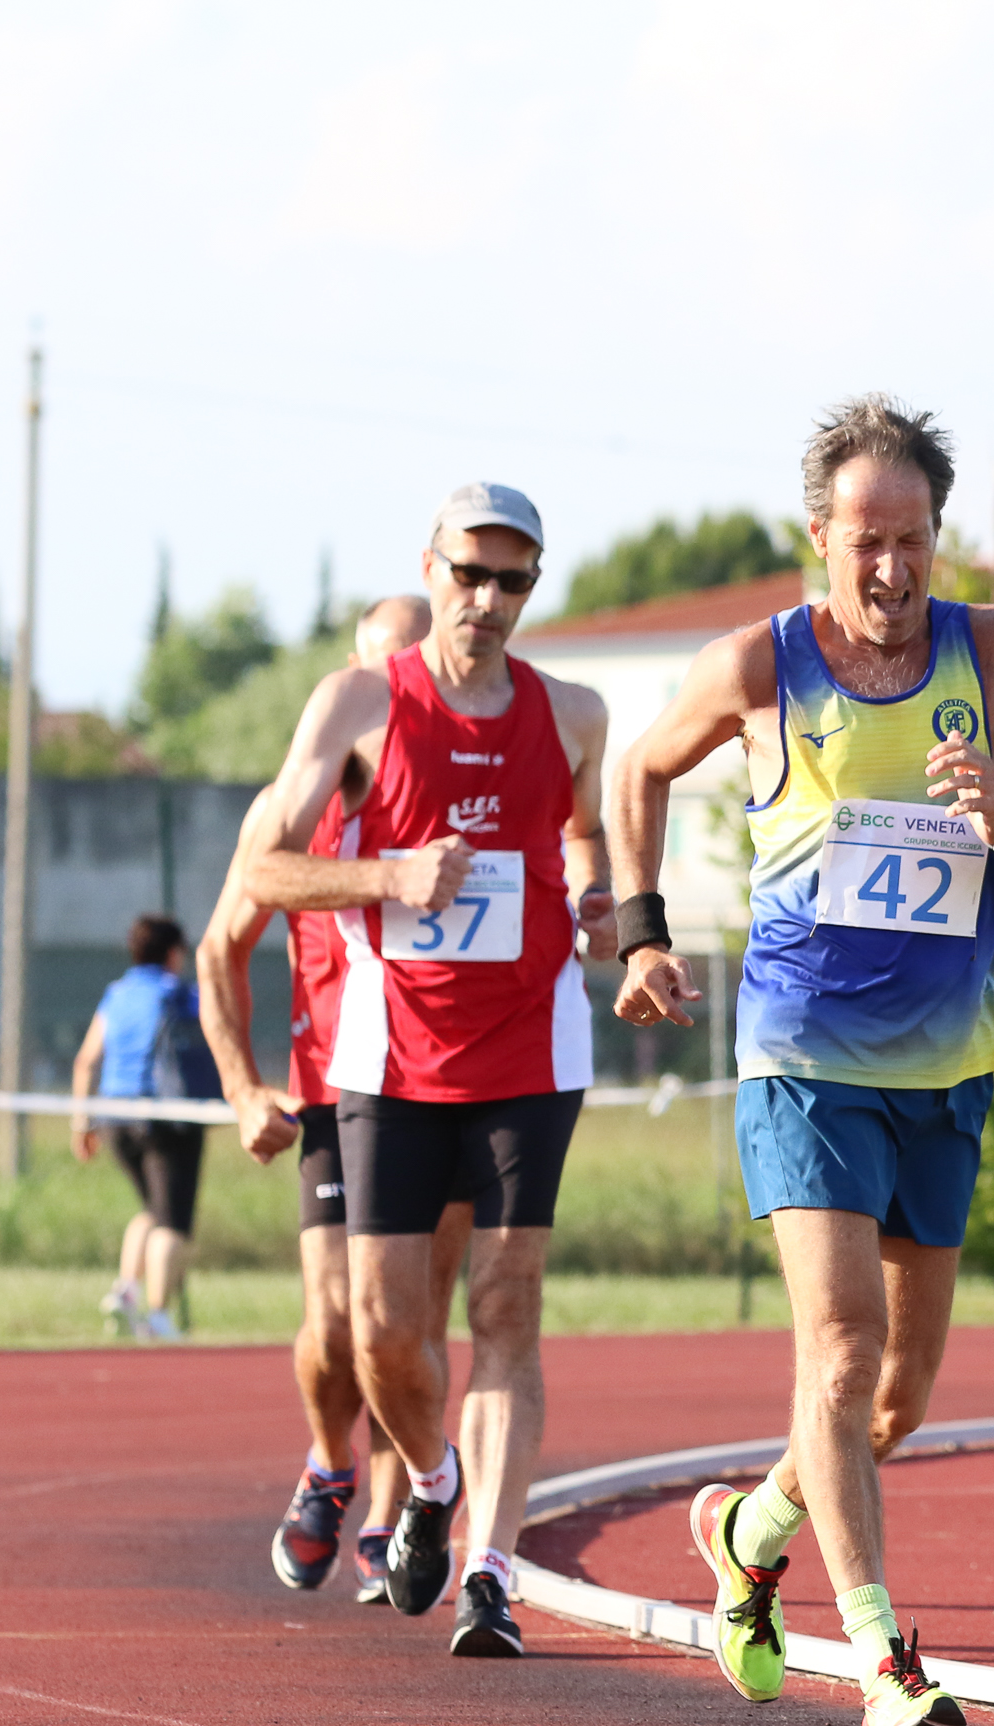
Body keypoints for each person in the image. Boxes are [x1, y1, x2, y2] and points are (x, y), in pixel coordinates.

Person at [611, 396, 994, 1726]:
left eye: (914, 540)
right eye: (866, 541)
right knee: (838, 1353)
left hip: (945, 1067)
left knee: (895, 1398)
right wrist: (643, 932)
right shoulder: (759, 665)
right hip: (803, 1055)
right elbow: (636, 771)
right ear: (819, 538)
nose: (891, 569)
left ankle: (749, 1530)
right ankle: (886, 1661)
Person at [246, 481, 616, 1658]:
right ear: (432, 567)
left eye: (513, 580)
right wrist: (389, 876)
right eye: (470, 574)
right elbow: (263, 872)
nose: (488, 599)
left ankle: (490, 1575)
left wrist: (604, 905)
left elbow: (586, 835)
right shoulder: (359, 701)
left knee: (506, 1305)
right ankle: (432, 1474)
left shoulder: (575, 714)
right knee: (381, 1333)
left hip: (531, 1043)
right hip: (388, 1051)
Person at [197, 594, 475, 1603]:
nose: (391, 696)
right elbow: (218, 951)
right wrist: (241, 1089)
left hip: (449, 1081)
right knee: (332, 1325)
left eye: (411, 672)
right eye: (375, 674)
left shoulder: (472, 801)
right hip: (332, 1086)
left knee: (409, 1324)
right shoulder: (292, 810)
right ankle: (329, 1464)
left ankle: (400, 1510)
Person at [72, 914, 224, 1344]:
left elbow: (86, 1061)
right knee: (172, 1223)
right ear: (174, 954)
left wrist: (82, 1122)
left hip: (114, 1118)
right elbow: (219, 1031)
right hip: (165, 1118)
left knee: (153, 1210)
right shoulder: (177, 994)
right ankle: (157, 1316)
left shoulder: (116, 994)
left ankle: (126, 1291)